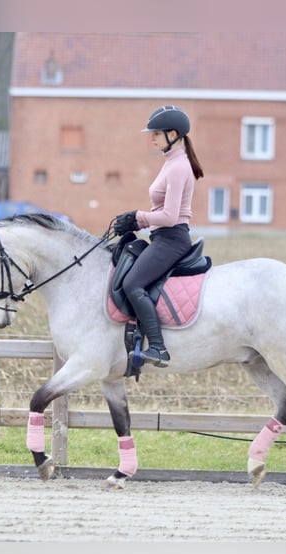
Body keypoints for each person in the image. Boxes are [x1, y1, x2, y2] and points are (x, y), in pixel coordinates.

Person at [113, 105, 204, 367]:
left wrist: (137, 218)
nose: (151, 137)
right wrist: (135, 222)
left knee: (132, 284)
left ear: (173, 134)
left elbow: (170, 217)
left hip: (171, 239)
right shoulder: (171, 162)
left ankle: (158, 347)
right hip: (162, 237)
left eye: (156, 133)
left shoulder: (178, 167)